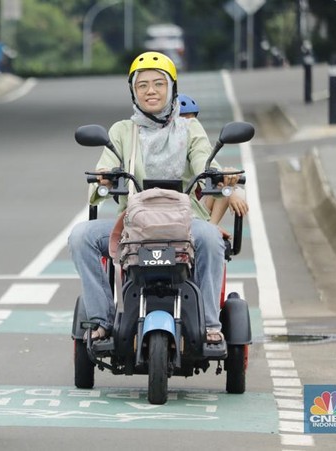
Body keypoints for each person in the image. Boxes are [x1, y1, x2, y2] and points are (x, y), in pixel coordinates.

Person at [67, 51, 241, 344]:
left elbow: (203, 160)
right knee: (80, 236)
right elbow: (99, 180)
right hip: (134, 224)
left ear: (172, 88)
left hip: (185, 223)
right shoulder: (122, 131)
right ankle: (101, 319)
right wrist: (106, 177)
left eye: (159, 84)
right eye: (142, 85)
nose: (151, 91)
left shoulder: (190, 128)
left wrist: (219, 174)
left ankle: (210, 323)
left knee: (211, 238)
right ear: (133, 92)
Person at [177, 93, 249, 227]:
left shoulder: (198, 145)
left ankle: (211, 228)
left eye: (192, 121)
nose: (189, 127)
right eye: (182, 121)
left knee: (229, 189)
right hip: (166, 210)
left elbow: (212, 172)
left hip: (195, 210)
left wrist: (232, 189)